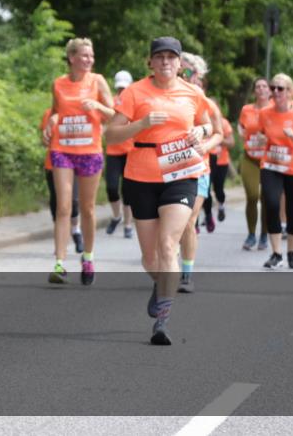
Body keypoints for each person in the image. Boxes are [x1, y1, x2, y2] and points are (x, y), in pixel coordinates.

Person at [106, 37, 220, 345]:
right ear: (151, 62)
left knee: (169, 245)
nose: (166, 62)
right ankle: (162, 285)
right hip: (141, 175)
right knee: (149, 257)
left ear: (180, 63)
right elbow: (111, 135)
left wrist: (202, 132)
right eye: (160, 57)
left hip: (182, 173)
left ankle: (162, 321)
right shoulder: (134, 92)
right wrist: (140, 124)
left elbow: (213, 128)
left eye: (172, 57)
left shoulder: (193, 93)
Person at [46, 38, 115, 286]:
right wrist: (53, 121)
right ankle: (60, 263)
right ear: (72, 58)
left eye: (91, 56)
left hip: (89, 150)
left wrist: (97, 105)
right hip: (62, 149)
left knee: (87, 208)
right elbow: (55, 111)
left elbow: (116, 113)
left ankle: (88, 257)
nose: (89, 60)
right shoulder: (58, 84)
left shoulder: (97, 81)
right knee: (64, 206)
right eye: (84, 56)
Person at [256, 74, 293, 270]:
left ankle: (292, 253)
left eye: (280, 88)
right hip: (271, 165)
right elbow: (261, 134)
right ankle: (276, 253)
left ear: (290, 92)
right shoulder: (264, 113)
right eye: (273, 88)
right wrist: (262, 139)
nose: (275, 92)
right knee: (271, 204)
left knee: (292, 211)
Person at [177, 52, 223, 293]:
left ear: (198, 75)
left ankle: (186, 273)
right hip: (168, 169)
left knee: (188, 220)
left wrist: (205, 144)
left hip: (198, 168)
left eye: (186, 72)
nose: (181, 76)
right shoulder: (165, 96)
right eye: (178, 71)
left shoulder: (205, 102)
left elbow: (220, 133)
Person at [238, 78, 272, 250]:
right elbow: (240, 126)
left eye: (264, 86)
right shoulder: (247, 109)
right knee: (252, 196)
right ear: (254, 91)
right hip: (249, 157)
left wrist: (267, 138)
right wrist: (242, 133)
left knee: (266, 198)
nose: (260, 89)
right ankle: (251, 234)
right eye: (257, 86)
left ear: (270, 91)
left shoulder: (275, 109)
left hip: (269, 159)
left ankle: (264, 235)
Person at [41, 108, 82, 249]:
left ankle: (76, 230)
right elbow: (44, 140)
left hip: (74, 163)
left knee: (74, 200)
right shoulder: (49, 114)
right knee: (55, 201)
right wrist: (47, 136)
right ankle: (61, 237)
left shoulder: (78, 114)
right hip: (52, 164)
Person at [105, 70, 135, 239]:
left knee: (128, 191)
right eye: (120, 88)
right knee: (111, 188)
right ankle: (117, 216)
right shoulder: (112, 102)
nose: (122, 90)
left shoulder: (135, 102)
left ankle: (128, 224)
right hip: (113, 152)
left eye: (125, 87)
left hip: (130, 152)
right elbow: (107, 118)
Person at [206, 112, 234, 224]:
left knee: (219, 188)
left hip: (222, 162)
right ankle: (208, 214)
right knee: (206, 189)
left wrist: (218, 139)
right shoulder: (203, 123)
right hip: (207, 162)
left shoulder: (224, 123)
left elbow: (231, 143)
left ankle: (221, 205)